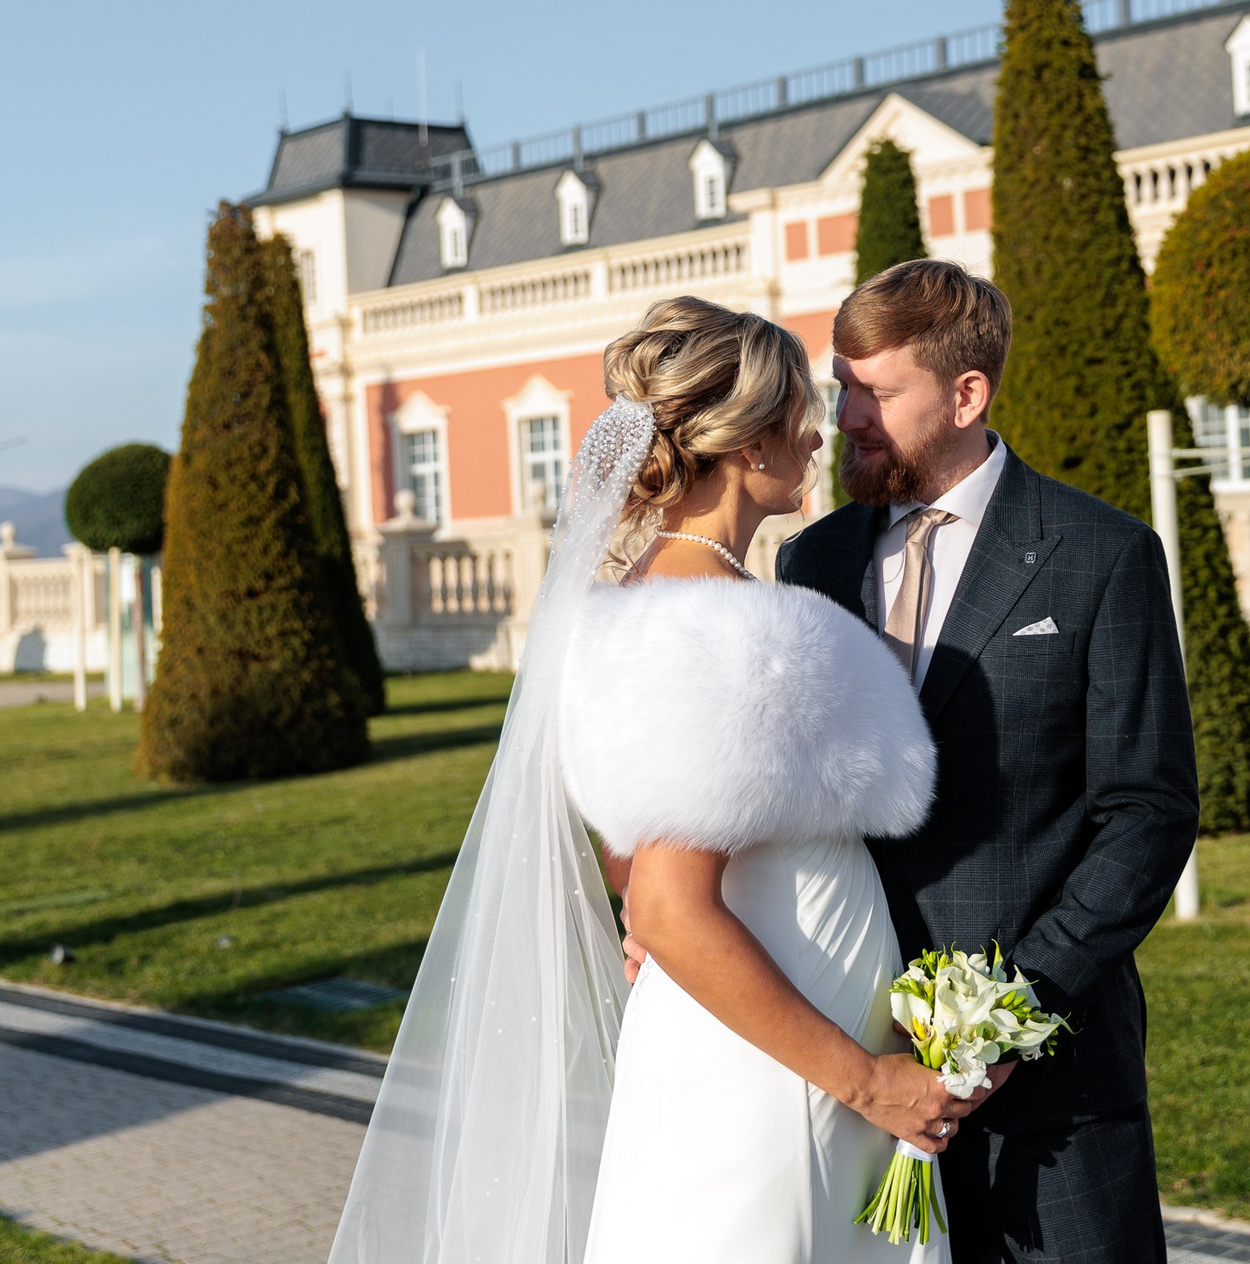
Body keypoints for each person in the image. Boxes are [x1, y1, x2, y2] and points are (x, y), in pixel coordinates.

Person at [329, 296, 975, 1264]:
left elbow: (634, 860)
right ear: (750, 443)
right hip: (781, 1061)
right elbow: (673, 909)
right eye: (799, 410)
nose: (815, 433)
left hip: (724, 1032)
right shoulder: (719, 628)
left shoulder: (621, 609)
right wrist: (866, 1082)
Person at [778, 259, 1200, 1264]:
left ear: (967, 394)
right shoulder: (812, 562)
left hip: (1051, 1090)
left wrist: (1012, 1017)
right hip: (851, 1064)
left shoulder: (1101, 554)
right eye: (841, 387)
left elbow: (1148, 810)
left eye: (876, 393)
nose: (847, 418)